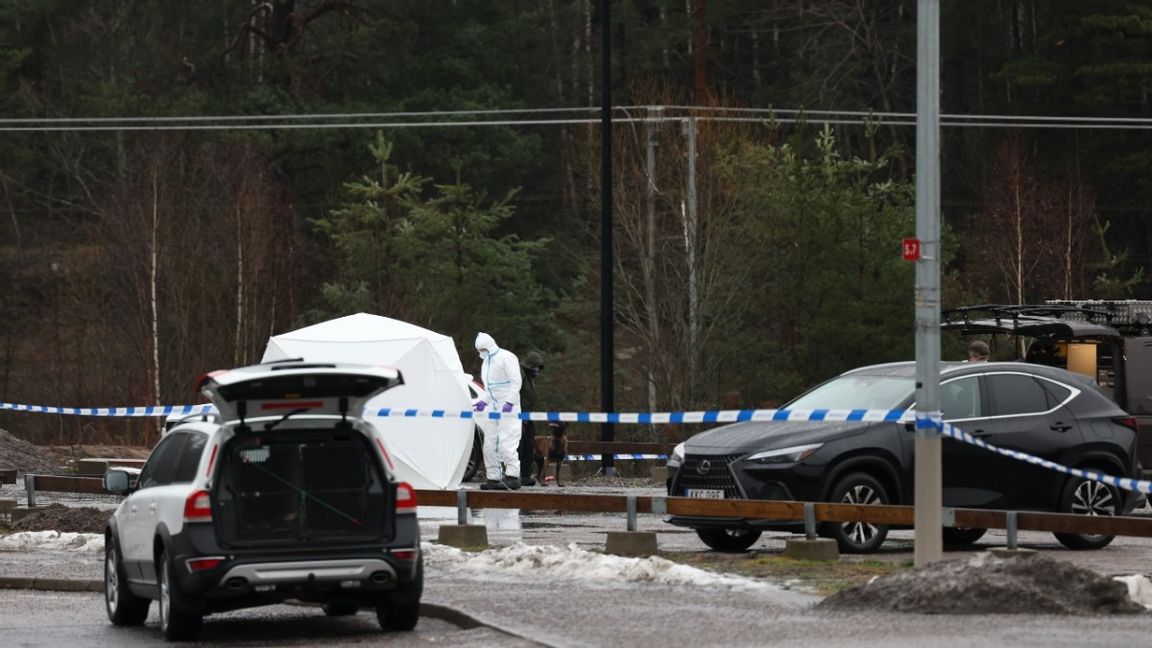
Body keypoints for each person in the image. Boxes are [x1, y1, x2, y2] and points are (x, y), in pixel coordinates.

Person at [473, 332, 523, 490]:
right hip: (493, 407)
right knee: (490, 443)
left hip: (508, 406)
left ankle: (513, 476)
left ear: (488, 347)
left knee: (507, 442)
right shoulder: (486, 362)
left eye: (481, 349)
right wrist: (484, 401)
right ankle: (493, 478)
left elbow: (516, 381)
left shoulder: (506, 357)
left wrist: (510, 401)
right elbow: (490, 388)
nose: (480, 353)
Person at [517, 351, 544, 486]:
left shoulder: (529, 379)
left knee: (528, 448)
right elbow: (518, 398)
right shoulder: (520, 377)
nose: (537, 371)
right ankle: (517, 475)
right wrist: (520, 419)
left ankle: (526, 475)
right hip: (520, 417)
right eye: (536, 367)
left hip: (529, 418)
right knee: (520, 448)